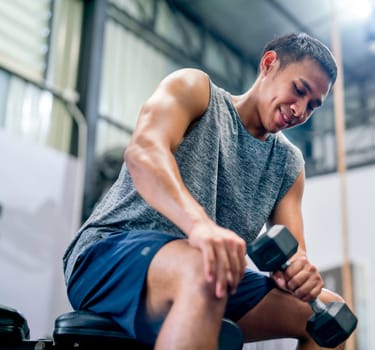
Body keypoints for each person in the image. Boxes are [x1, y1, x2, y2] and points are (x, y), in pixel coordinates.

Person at [63, 32, 350, 350]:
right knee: (208, 271)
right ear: (269, 64)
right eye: (298, 90)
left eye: (312, 106)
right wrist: (199, 226)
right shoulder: (196, 89)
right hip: (111, 253)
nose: (300, 110)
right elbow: (144, 152)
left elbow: (292, 247)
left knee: (327, 317)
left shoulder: (288, 163)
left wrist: (297, 270)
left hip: (205, 271)